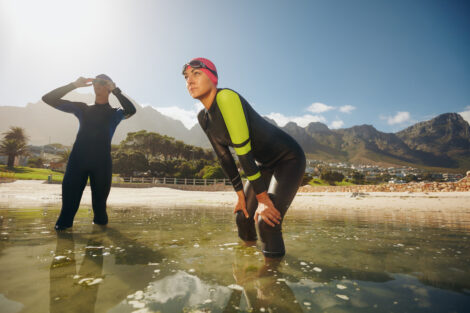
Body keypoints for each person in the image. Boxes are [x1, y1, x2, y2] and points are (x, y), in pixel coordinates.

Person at [182, 58, 306, 259]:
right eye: (187, 77)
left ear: (213, 78)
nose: (190, 81)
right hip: (264, 164)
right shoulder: (203, 118)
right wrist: (240, 195)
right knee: (243, 216)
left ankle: (271, 278)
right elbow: (224, 157)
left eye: (197, 74)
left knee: (266, 221)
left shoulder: (226, 98)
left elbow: (243, 152)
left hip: (288, 159)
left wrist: (263, 199)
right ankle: (246, 265)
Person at [42, 75, 136, 230]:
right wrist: (73, 85)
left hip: (102, 165)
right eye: (95, 81)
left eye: (102, 82)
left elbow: (131, 111)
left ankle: (98, 244)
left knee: (100, 212)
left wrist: (116, 91)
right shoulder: (83, 108)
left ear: (109, 86)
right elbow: (48, 99)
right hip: (77, 162)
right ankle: (62, 251)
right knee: (66, 213)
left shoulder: (115, 113)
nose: (97, 84)